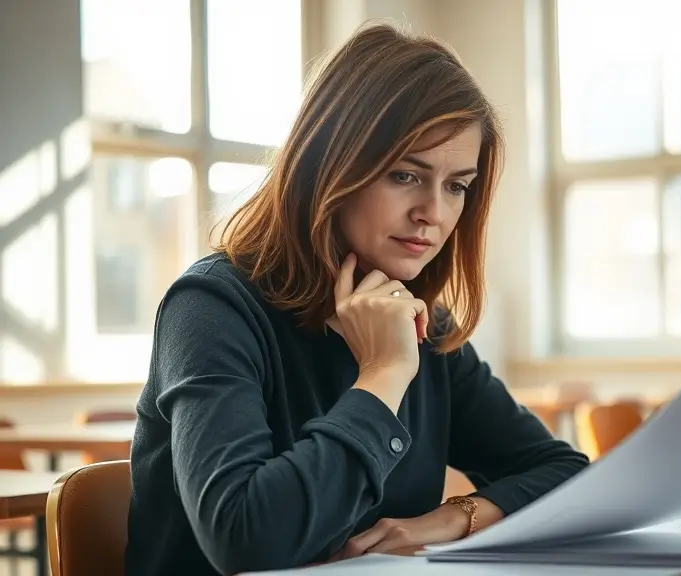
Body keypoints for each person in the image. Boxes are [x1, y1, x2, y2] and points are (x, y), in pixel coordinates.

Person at [123, 22, 589, 576]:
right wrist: (383, 375)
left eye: (457, 185)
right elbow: (246, 539)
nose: (434, 214)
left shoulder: (424, 324)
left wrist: (448, 519)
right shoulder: (211, 308)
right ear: (330, 165)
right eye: (404, 174)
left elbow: (566, 473)